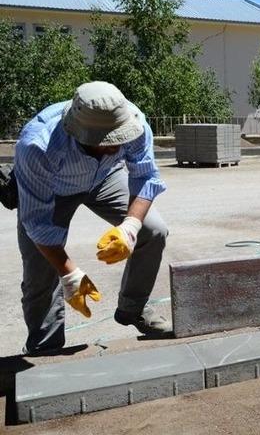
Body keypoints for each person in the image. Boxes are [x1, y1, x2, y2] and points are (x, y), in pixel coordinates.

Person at [15, 81, 170, 354]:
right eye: (107, 142)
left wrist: (130, 227)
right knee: (40, 267)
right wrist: (71, 274)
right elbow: (37, 224)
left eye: (119, 138)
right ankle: (45, 348)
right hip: (54, 188)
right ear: (79, 133)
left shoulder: (133, 122)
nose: (117, 146)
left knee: (153, 230)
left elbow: (145, 176)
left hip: (104, 177)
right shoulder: (38, 145)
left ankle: (132, 308)